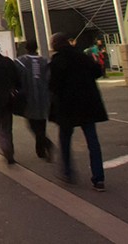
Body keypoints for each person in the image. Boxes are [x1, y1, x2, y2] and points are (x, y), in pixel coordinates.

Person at [50, 32, 108, 191]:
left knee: (65, 139)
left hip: (67, 106)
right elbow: (97, 71)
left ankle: (67, 172)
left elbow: (53, 85)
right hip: (87, 104)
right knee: (92, 141)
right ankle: (99, 178)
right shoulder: (82, 56)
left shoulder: (57, 60)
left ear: (55, 44)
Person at [16, 39, 53, 162]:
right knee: (41, 124)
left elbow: (17, 79)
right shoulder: (45, 61)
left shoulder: (21, 62)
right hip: (44, 97)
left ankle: (45, 143)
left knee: (32, 124)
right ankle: (40, 150)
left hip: (29, 97)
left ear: (26, 48)